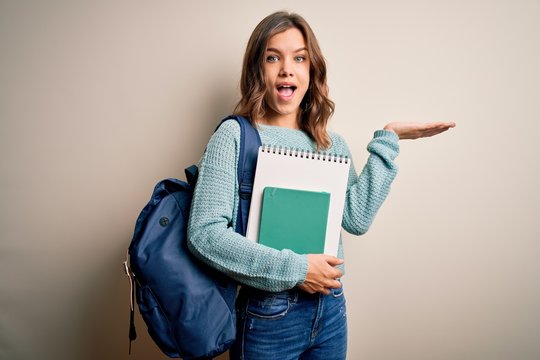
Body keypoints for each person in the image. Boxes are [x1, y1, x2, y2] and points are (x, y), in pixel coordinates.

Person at [187, 11, 455, 360]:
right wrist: (298, 270)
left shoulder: (330, 144)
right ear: (257, 69)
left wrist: (388, 139)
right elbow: (204, 234)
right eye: (273, 57)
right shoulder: (234, 136)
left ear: (311, 71)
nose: (287, 68)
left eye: (299, 58)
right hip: (268, 314)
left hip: (330, 311)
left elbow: (356, 218)